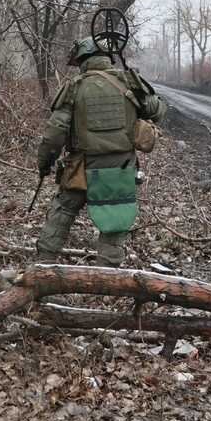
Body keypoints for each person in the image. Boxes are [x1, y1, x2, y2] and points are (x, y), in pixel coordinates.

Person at [35, 36, 166, 267]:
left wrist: (45, 164)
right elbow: (157, 111)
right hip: (120, 170)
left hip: (81, 169)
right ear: (107, 57)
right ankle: (107, 276)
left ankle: (42, 267)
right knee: (115, 220)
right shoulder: (128, 81)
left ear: (82, 59)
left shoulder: (74, 87)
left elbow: (55, 133)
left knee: (61, 213)